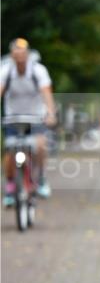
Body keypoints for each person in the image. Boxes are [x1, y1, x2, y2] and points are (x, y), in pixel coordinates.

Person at [1, 38, 56, 207]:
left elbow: (46, 93)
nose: (19, 57)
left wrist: (51, 113)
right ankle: (11, 185)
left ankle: (40, 179)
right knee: (10, 151)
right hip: (13, 118)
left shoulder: (38, 71)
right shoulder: (5, 70)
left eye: (22, 53)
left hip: (35, 118)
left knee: (40, 145)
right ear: (12, 55)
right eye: (16, 53)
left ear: (27, 54)